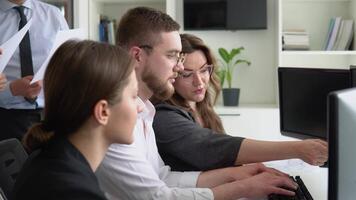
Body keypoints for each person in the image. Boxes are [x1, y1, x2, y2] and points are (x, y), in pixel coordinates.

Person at [96, 7, 297, 200]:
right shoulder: (117, 123)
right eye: (172, 55)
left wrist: (234, 175)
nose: (180, 66)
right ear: (137, 55)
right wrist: (243, 187)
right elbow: (157, 197)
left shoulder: (145, 112)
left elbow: (163, 177)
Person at [152, 33, 328, 171]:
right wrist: (297, 149)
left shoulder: (202, 107)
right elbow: (215, 148)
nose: (199, 81)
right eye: (187, 74)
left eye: (204, 70)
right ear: (173, 74)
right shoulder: (164, 117)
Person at [11, 40, 139, 200]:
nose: (140, 107)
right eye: (134, 97)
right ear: (103, 111)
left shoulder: (47, 159)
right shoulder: (75, 191)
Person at [0, 0, 68, 141]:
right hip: (6, 121)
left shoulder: (53, 15)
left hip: (52, 117)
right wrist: (11, 89)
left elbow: (70, 63)